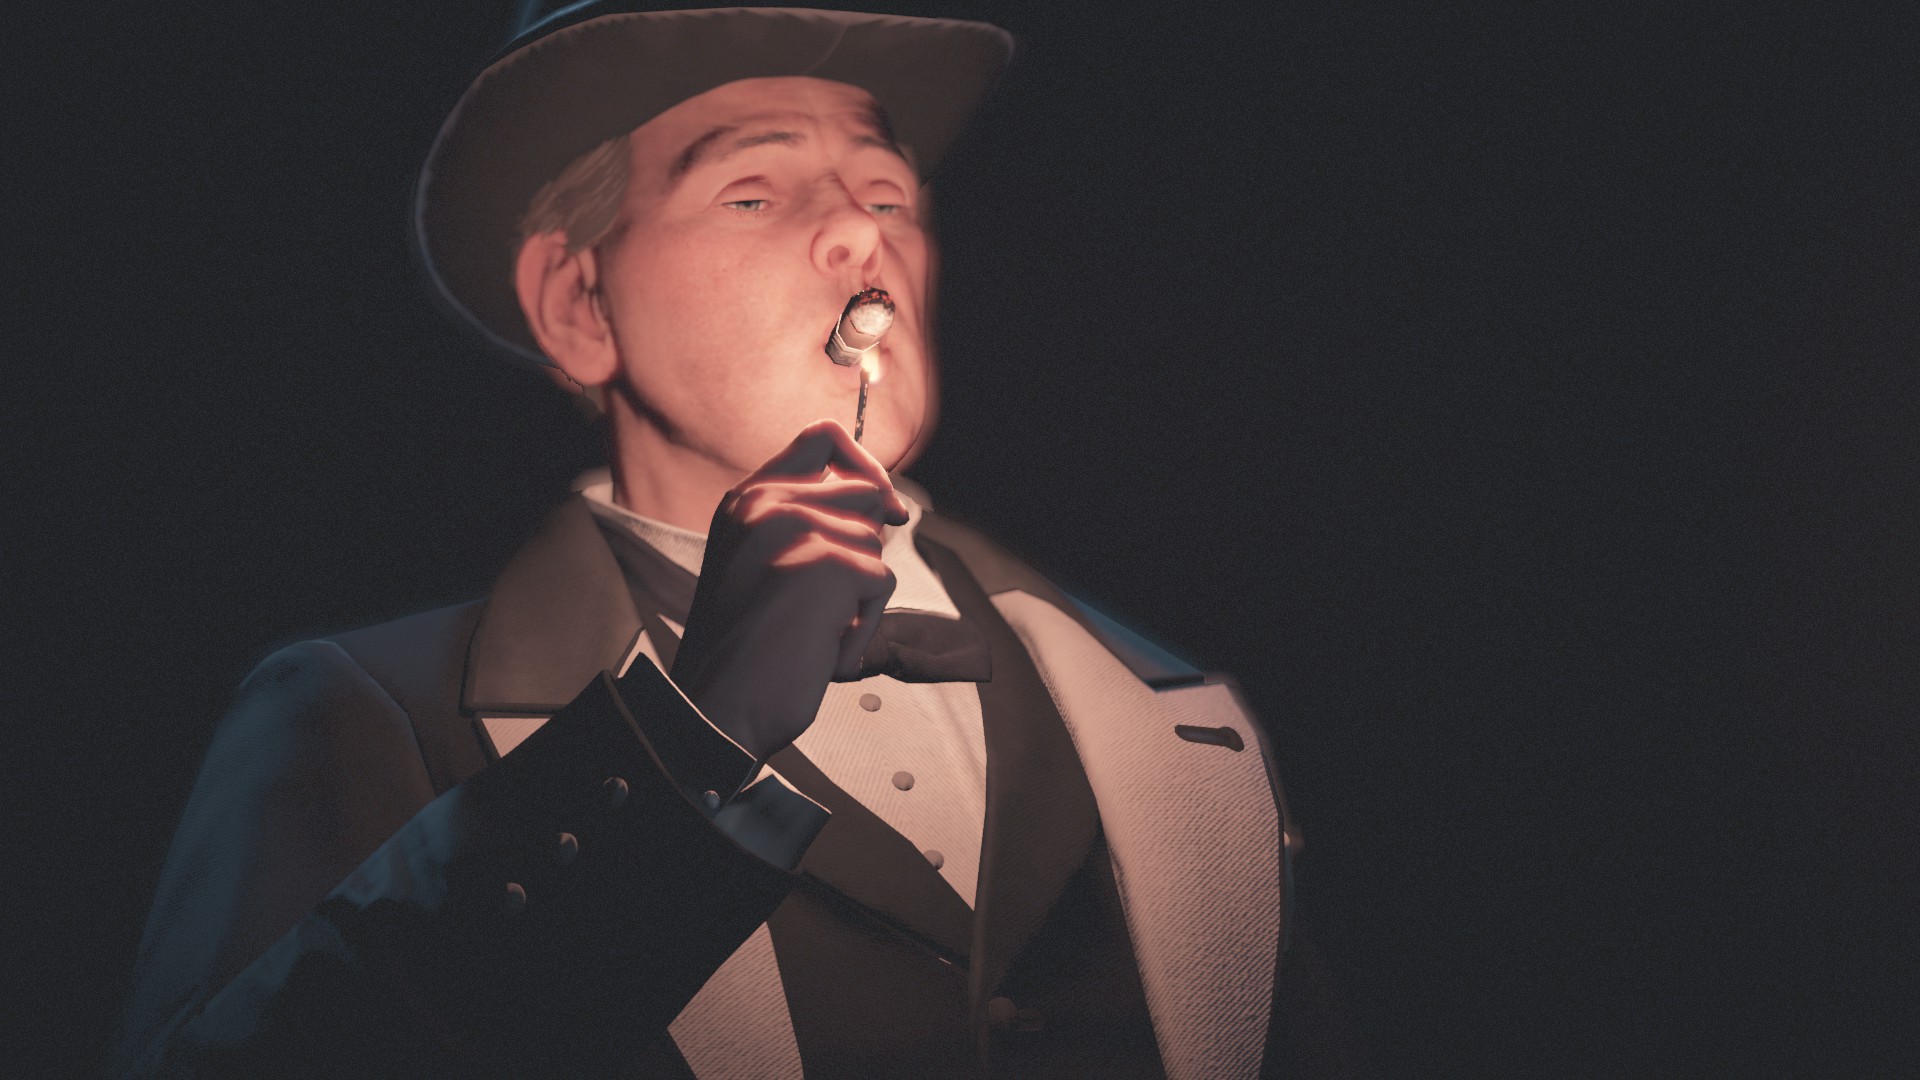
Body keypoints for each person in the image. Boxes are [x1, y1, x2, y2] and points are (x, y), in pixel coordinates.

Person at [116, 6, 1334, 1077]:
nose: (861, 236)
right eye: (753, 193)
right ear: (579, 304)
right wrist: (687, 742)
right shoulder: (362, 712)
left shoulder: (1176, 716)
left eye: (887, 195)